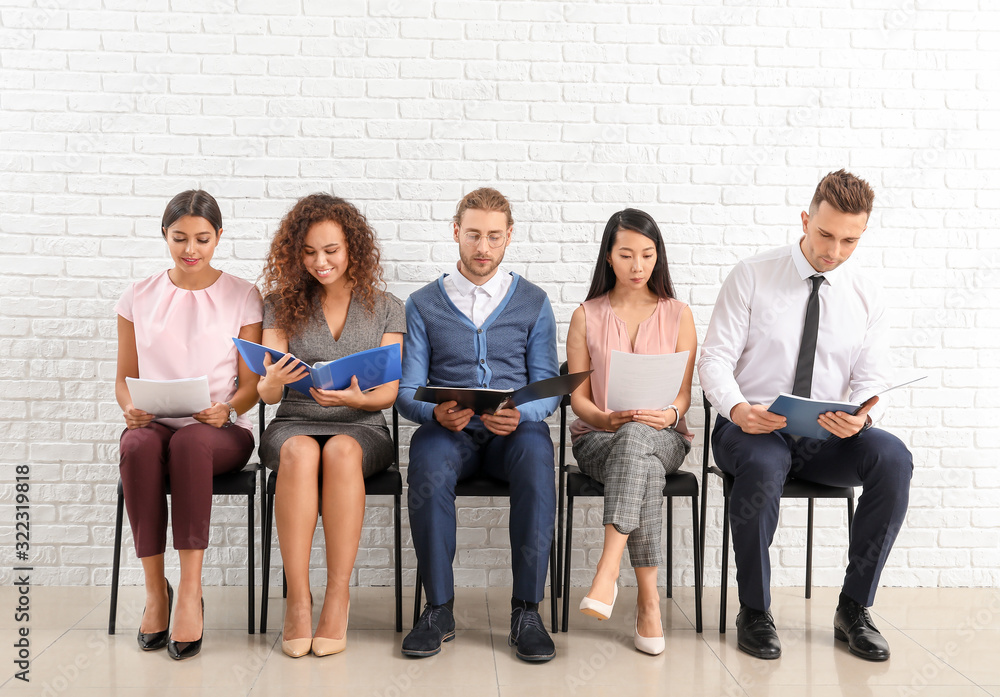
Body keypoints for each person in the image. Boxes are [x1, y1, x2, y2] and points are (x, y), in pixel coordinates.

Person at [698, 170, 912, 661]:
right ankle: (754, 609)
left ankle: (854, 608)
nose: (833, 251)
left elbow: (872, 379)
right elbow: (714, 360)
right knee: (763, 462)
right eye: (824, 234)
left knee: (893, 458)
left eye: (849, 240)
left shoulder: (866, 295)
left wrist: (862, 416)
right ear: (805, 219)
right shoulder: (753, 274)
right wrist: (737, 409)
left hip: (825, 437)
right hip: (751, 428)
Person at [396, 188, 559, 662]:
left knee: (537, 455)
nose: (482, 247)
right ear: (456, 233)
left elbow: (546, 385)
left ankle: (527, 609)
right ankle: (439, 608)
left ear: (509, 237)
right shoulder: (424, 303)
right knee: (426, 459)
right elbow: (407, 392)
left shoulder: (534, 302)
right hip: (450, 431)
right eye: (473, 235)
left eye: (493, 236)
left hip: (516, 432)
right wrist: (434, 412)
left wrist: (521, 413)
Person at [115, 190, 263, 660]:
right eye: (179, 238)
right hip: (155, 422)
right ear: (165, 235)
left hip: (219, 430)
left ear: (219, 236)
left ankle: (191, 592)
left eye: (202, 238)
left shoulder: (243, 295)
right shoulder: (137, 296)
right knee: (137, 445)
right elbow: (123, 377)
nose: (191, 249)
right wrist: (129, 407)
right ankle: (157, 591)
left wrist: (229, 409)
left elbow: (251, 384)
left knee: (189, 445)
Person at [257, 193, 405, 659]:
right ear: (294, 255)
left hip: (362, 427)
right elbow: (266, 394)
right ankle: (299, 600)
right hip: (294, 421)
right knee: (300, 452)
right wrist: (274, 381)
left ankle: (338, 596)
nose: (320, 262)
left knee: (340, 450)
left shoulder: (386, 307)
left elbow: (390, 391)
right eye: (308, 252)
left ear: (352, 249)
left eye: (331, 250)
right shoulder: (279, 304)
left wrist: (358, 398)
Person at [566, 209, 697, 656]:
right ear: (608, 257)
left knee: (641, 436)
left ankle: (608, 569)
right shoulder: (586, 315)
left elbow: (683, 397)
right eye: (626, 255)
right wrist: (606, 419)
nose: (638, 266)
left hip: (665, 437)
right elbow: (578, 400)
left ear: (658, 257)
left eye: (647, 255)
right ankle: (648, 602)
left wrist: (670, 416)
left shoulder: (679, 315)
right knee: (637, 453)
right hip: (598, 438)